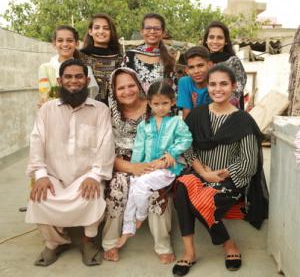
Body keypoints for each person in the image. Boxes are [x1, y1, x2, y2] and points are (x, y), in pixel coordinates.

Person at [172, 64, 268, 276]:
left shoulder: (243, 120)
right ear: (207, 86)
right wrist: (203, 172)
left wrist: (220, 173)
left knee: (200, 199)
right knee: (181, 189)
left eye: (224, 84)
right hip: (200, 172)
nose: (218, 89)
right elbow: (187, 148)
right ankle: (190, 252)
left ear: (233, 86)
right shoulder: (196, 115)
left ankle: (228, 243)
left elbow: (249, 163)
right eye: (213, 84)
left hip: (231, 178)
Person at [26, 59, 115, 267]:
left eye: (78, 77)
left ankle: (88, 241)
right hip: (54, 174)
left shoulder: (100, 109)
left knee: (92, 194)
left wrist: (94, 176)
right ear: (60, 80)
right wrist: (40, 175)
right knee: (39, 197)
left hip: (87, 174)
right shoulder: (47, 109)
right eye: (68, 77)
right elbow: (36, 141)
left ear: (86, 80)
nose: (73, 81)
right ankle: (55, 242)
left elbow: (106, 143)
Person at [102, 67, 176, 264]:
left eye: (131, 85)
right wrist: (132, 168)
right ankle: (110, 243)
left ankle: (162, 245)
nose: (127, 91)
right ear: (113, 91)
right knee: (118, 186)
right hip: (120, 163)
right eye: (121, 88)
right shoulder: (108, 114)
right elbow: (105, 152)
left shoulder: (156, 105)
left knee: (154, 191)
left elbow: (173, 135)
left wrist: (159, 162)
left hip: (155, 162)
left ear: (139, 85)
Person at [116, 81, 192, 248]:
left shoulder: (176, 122)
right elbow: (139, 148)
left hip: (168, 169)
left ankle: (140, 216)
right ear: (149, 103)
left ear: (172, 102)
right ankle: (127, 229)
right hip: (149, 167)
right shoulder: (145, 125)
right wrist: (136, 167)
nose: (161, 108)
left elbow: (186, 139)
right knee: (134, 184)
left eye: (165, 103)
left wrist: (171, 153)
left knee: (141, 184)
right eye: (156, 104)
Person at [38, 25, 98, 106]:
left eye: (69, 40)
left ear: (76, 43)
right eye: (60, 40)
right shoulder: (45, 69)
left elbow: (90, 98)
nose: (65, 44)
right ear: (54, 44)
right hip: (54, 115)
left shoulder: (86, 69)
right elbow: (44, 98)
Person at [123, 13, 175, 93]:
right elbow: (122, 84)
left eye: (157, 29)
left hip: (159, 104)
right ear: (141, 32)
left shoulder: (169, 59)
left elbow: (171, 88)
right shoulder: (129, 56)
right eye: (148, 28)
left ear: (163, 33)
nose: (152, 31)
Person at [203, 21, 247, 109]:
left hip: (228, 109)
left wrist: (222, 105)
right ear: (206, 40)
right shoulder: (201, 61)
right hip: (204, 107)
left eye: (219, 38)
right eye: (211, 37)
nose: (215, 41)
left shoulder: (233, 61)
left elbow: (239, 86)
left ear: (226, 41)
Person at [79, 13, 121, 104]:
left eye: (106, 28)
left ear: (111, 32)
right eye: (97, 27)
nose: (101, 31)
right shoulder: (80, 57)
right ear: (90, 31)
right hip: (87, 108)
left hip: (115, 110)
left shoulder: (120, 58)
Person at [177, 46, 213, 119]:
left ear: (209, 65)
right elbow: (187, 115)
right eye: (191, 67)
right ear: (186, 70)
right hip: (194, 125)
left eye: (200, 65)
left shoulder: (216, 82)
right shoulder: (184, 82)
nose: (196, 71)